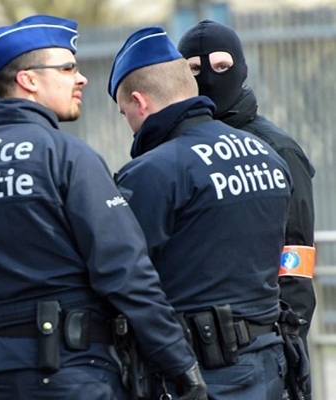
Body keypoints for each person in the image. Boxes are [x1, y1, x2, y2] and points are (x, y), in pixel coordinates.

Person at [0, 15, 207, 400]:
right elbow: (124, 270)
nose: (81, 79)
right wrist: (178, 362)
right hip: (76, 373)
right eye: (67, 68)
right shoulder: (68, 156)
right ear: (28, 80)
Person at [107, 26, 293, 399]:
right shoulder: (267, 154)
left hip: (201, 374)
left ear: (140, 103)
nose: (130, 125)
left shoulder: (152, 172)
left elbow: (123, 277)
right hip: (270, 364)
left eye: (125, 112)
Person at [177, 20, 315, 398]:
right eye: (193, 69)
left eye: (221, 66)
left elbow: (295, 262)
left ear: (240, 68)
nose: (208, 79)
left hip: (264, 351)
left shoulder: (277, 149)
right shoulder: (173, 151)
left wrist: (289, 345)